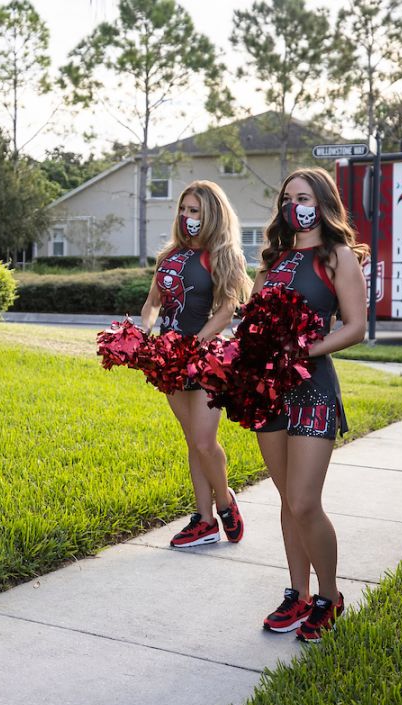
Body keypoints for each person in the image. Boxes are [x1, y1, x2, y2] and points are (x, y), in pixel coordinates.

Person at [252, 168, 369, 642]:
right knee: (286, 501)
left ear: (322, 202)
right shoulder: (272, 261)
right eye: (287, 199)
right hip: (267, 389)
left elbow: (355, 327)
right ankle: (297, 594)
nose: (293, 206)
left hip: (313, 386)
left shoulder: (338, 256)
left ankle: (329, 596)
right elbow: (255, 324)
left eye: (303, 197)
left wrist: (303, 350)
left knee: (304, 501)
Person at [139, 181, 253, 548]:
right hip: (170, 360)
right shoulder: (169, 256)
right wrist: (143, 331)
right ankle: (203, 521)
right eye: (184, 210)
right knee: (192, 440)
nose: (187, 217)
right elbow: (153, 302)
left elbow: (226, 311)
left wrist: (196, 345)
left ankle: (224, 503)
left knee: (204, 441)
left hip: (206, 359)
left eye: (196, 211)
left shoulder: (225, 256)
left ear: (212, 215)